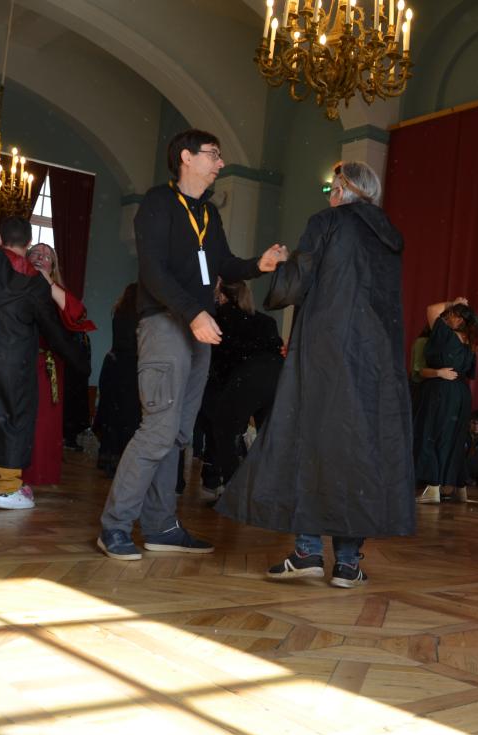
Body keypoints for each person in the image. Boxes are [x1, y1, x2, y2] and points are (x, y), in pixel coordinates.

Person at [216, 161, 413, 588]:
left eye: (332, 187)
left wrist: (283, 263)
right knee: (359, 450)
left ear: (344, 190)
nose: (330, 194)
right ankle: (347, 562)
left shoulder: (327, 222)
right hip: (375, 359)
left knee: (309, 439)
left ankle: (307, 551)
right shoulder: (390, 237)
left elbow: (296, 284)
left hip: (326, 349)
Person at [97, 129, 286, 561]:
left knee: (178, 434)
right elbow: (153, 272)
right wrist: (194, 313)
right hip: (167, 324)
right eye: (213, 155)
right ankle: (115, 527)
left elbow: (224, 264)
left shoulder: (208, 213)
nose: (220, 163)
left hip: (198, 331)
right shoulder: (158, 204)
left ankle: (161, 526)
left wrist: (258, 264)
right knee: (158, 430)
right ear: (186, 157)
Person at [0, 216, 90, 509]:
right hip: (14, 364)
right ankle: (8, 490)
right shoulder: (36, 284)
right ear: (28, 243)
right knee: (12, 421)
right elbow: (52, 327)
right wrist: (79, 361)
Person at [198, 279, 284, 493]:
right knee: (268, 437)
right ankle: (270, 490)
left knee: (224, 431)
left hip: (245, 376)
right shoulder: (265, 321)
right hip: (275, 375)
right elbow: (276, 348)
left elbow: (219, 362)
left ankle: (233, 491)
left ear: (222, 297)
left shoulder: (218, 320)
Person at [22, 242, 96, 488]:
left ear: (53, 266)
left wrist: (47, 282)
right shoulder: (15, 284)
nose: (40, 257)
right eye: (36, 252)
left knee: (40, 422)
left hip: (45, 365)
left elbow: (77, 314)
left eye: (47, 256)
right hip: (16, 361)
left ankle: (32, 476)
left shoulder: (56, 291)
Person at [413, 298, 478, 505]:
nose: (446, 318)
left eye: (451, 315)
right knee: (454, 439)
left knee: (432, 435)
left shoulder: (445, 335)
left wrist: (453, 302)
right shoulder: (471, 343)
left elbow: (431, 308)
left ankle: (433, 487)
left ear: (459, 319)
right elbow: (470, 373)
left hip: (442, 391)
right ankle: (458, 488)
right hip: (461, 392)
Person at [94, 283, 141, 477]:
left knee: (111, 413)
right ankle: (121, 461)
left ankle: (108, 456)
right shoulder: (139, 317)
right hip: (131, 367)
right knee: (128, 416)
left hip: (114, 364)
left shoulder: (119, 313)